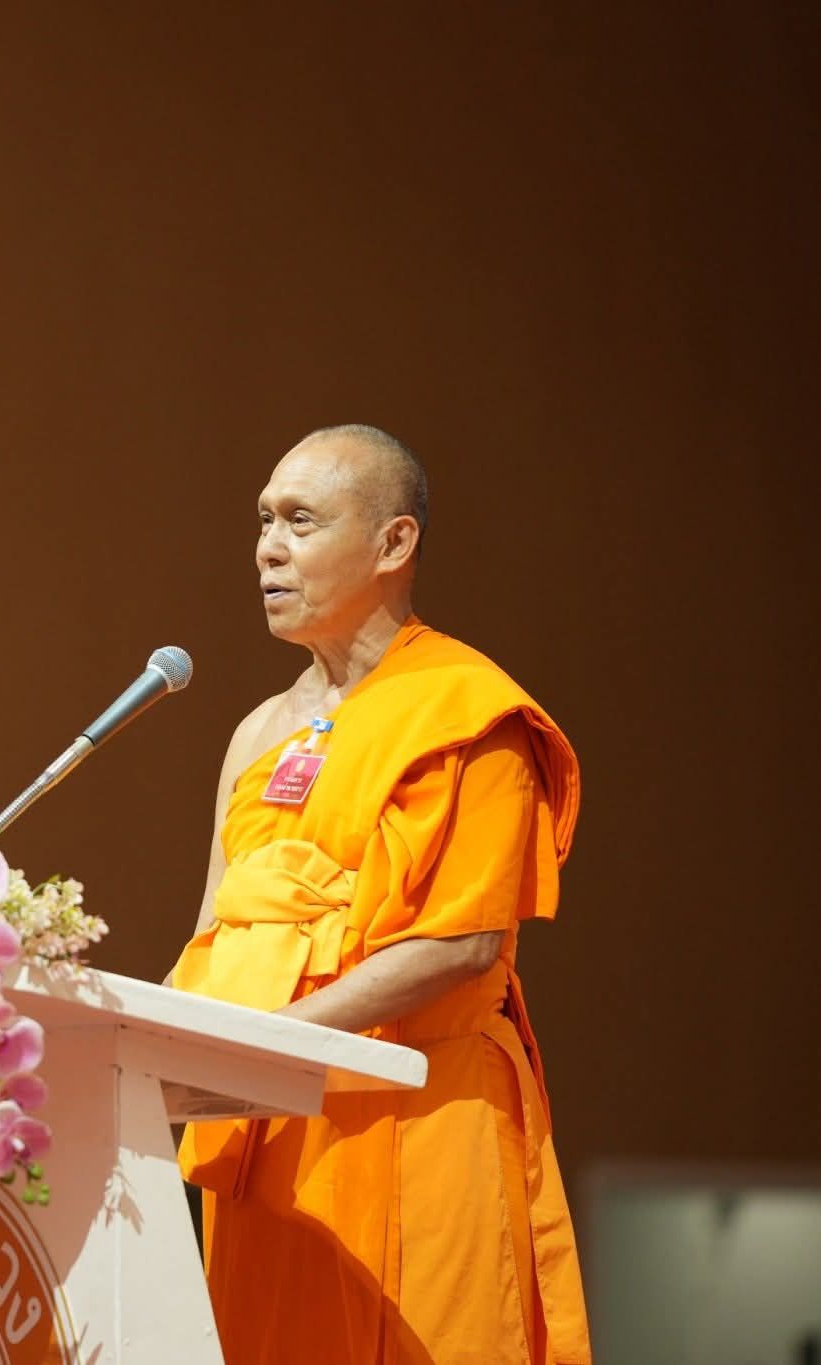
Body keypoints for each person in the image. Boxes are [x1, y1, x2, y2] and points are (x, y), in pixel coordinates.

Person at [167, 424, 590, 1364]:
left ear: (394, 544)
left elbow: (460, 944)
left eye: (301, 522)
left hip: (418, 1112)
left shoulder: (470, 711)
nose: (267, 549)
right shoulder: (259, 731)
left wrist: (271, 1046)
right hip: (270, 1128)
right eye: (264, 522)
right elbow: (216, 930)